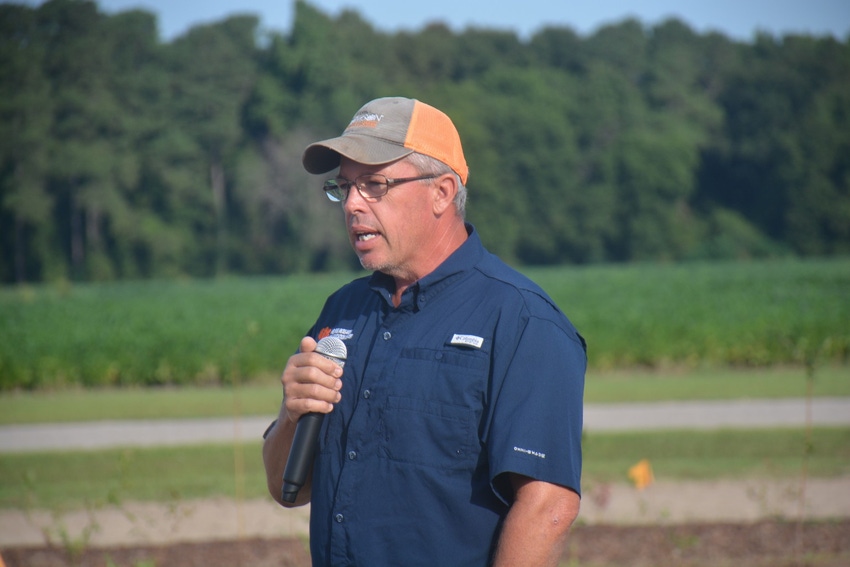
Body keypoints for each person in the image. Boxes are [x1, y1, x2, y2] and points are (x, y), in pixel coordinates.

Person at [263, 96, 586, 566]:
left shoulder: (521, 321)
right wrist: (292, 414)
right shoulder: (343, 310)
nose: (352, 204)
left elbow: (548, 505)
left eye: (375, 185)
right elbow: (287, 489)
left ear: (442, 192)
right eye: (345, 187)